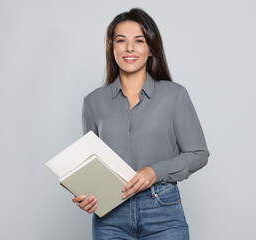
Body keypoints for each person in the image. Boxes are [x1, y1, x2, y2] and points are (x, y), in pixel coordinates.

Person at [72, 7, 210, 240]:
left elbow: (198, 154)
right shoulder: (93, 102)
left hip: (163, 212)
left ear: (151, 49)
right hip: (109, 218)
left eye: (139, 40)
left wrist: (156, 171)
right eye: (121, 40)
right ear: (112, 47)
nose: (129, 48)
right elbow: (91, 166)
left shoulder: (174, 95)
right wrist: (87, 195)